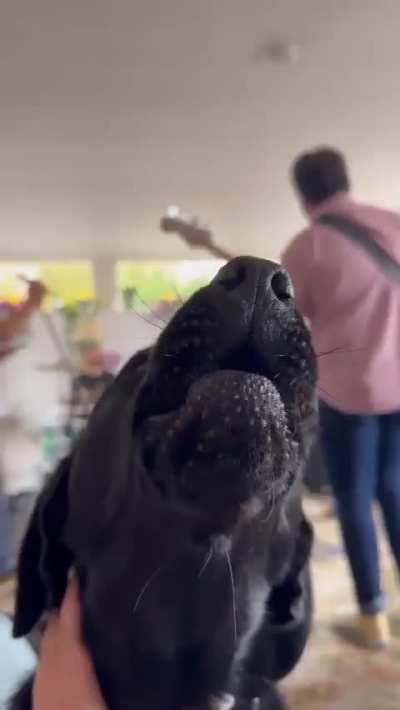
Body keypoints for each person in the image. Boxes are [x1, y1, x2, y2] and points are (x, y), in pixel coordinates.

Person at [168, 147, 400, 649]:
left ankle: (373, 618)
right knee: (396, 490)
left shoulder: (310, 246)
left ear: (302, 195)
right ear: (345, 179)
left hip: (352, 394)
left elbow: (283, 318)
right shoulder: (392, 223)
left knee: (355, 500)